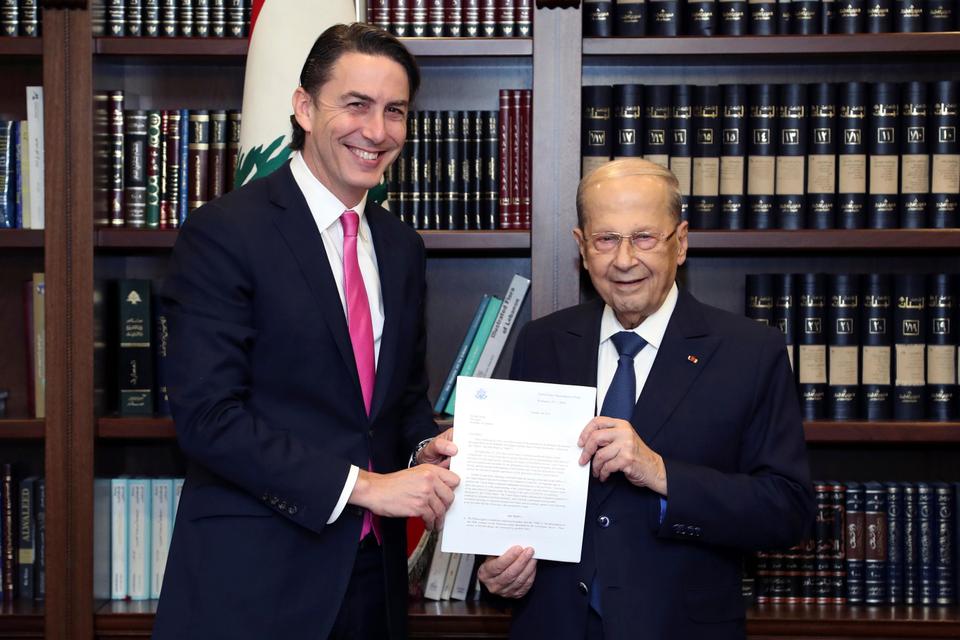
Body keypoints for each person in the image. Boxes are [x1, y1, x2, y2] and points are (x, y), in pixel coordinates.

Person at [153, 23, 458, 640]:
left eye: (394, 111)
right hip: (255, 584)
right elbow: (209, 418)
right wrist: (367, 486)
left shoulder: (402, 248)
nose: (376, 131)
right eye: (356, 105)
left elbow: (395, 408)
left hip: (375, 582)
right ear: (303, 107)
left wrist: (424, 450)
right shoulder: (224, 233)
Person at [478, 158, 814, 640]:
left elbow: (788, 512)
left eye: (644, 237)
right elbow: (511, 491)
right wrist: (494, 567)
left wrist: (660, 473)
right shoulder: (543, 342)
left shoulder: (750, 352)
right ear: (581, 247)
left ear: (680, 242)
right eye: (606, 239)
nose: (624, 260)